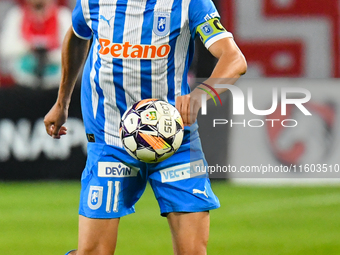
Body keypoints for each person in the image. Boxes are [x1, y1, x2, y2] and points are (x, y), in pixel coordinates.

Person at [44, 0, 247, 254]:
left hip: (174, 140)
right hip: (111, 140)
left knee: (192, 252)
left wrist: (200, 94)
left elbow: (234, 59)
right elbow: (77, 35)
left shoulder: (189, 3)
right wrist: (62, 102)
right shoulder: (92, 2)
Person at [0, 0, 71, 88]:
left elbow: (72, 53)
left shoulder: (63, 16)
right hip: (22, 84)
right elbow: (5, 49)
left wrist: (48, 53)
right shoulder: (17, 15)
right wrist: (29, 48)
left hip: (56, 84)